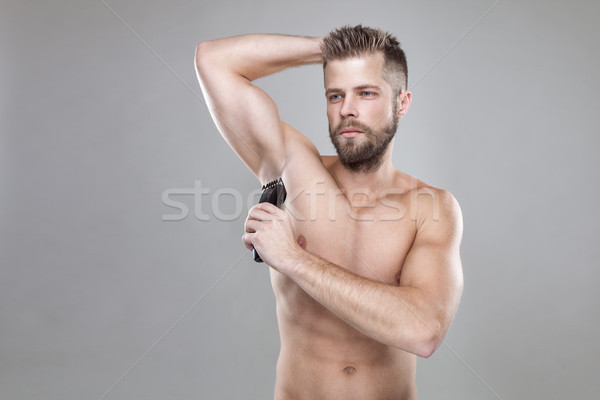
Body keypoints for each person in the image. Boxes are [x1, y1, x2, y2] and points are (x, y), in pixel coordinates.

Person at [195, 25, 463, 400]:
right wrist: (327, 50)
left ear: (401, 103)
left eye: (366, 92)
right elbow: (214, 60)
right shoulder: (290, 165)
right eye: (335, 95)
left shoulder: (431, 207)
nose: (347, 109)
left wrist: (292, 258)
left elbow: (424, 330)